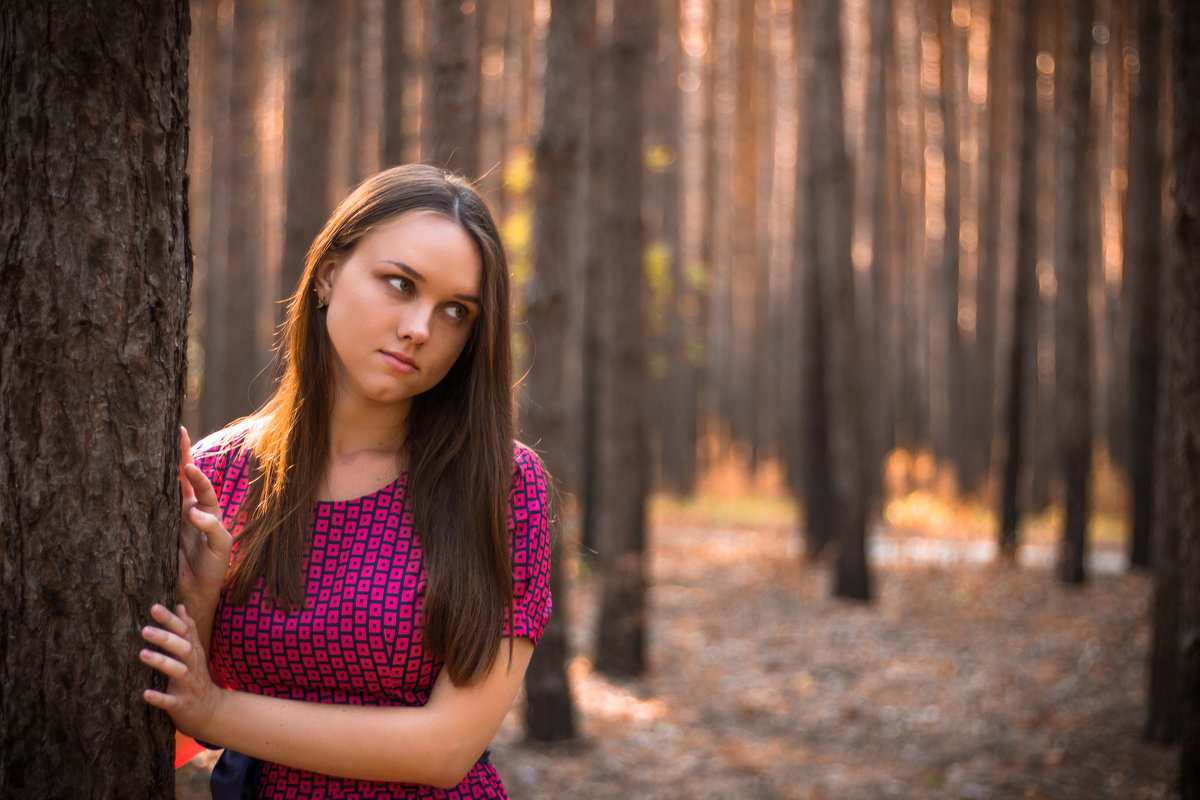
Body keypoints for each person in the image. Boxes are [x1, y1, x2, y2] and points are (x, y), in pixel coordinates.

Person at [139, 164, 552, 799]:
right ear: (329, 273)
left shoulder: (499, 484)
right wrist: (197, 599)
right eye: (400, 283)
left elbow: (446, 749)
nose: (420, 328)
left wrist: (218, 711)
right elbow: (155, 735)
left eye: (455, 311)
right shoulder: (219, 474)